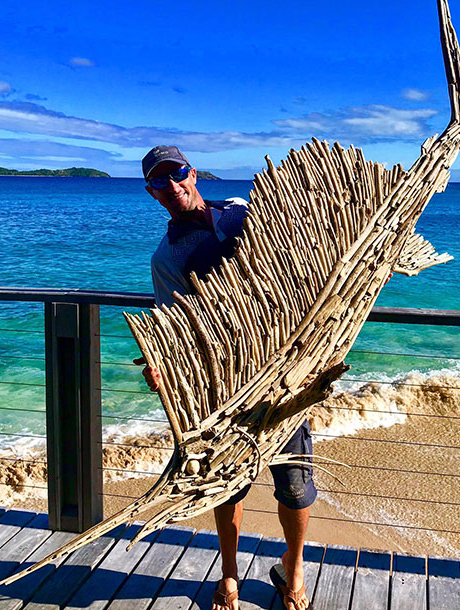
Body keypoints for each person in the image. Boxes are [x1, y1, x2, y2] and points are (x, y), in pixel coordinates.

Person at [135, 145, 316, 610]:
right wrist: (165, 368)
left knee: (295, 486)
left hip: (283, 377)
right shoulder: (167, 256)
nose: (172, 186)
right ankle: (230, 575)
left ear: (192, 173)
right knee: (229, 483)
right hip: (226, 387)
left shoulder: (241, 212)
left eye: (176, 173)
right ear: (152, 193)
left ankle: (292, 571)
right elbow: (173, 328)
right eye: (159, 181)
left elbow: (300, 248)